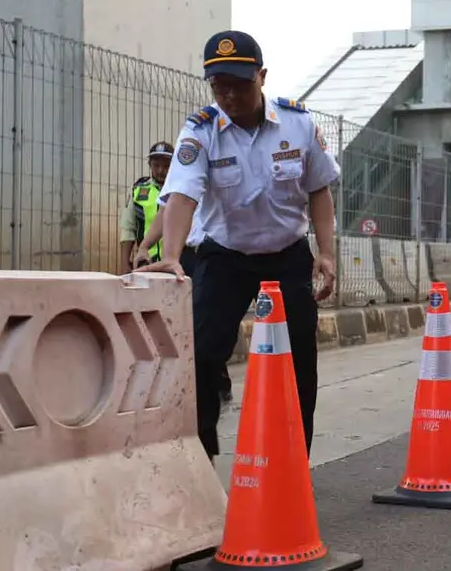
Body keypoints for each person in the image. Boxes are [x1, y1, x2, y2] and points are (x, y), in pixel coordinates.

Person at [135, 29, 339, 463]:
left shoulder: (298, 124)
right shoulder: (201, 130)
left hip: (286, 256)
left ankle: (292, 462)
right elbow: (183, 195)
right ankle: (202, 457)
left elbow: (319, 190)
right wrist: (170, 255)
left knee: (298, 355)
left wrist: (326, 253)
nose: (228, 94)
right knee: (202, 353)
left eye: (239, 84)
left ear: (261, 77)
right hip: (224, 257)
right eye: (218, 85)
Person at [133, 199, 234, 406]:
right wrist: (144, 246)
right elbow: (168, 207)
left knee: (212, 325)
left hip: (220, 255)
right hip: (186, 255)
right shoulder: (183, 171)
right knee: (184, 322)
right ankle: (191, 388)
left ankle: (217, 381)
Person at [118, 141, 174, 273]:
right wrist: (124, 263)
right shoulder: (138, 189)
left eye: (166, 166)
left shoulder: (182, 190)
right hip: (146, 262)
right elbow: (128, 228)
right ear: (149, 164)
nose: (161, 170)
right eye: (156, 165)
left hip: (175, 262)